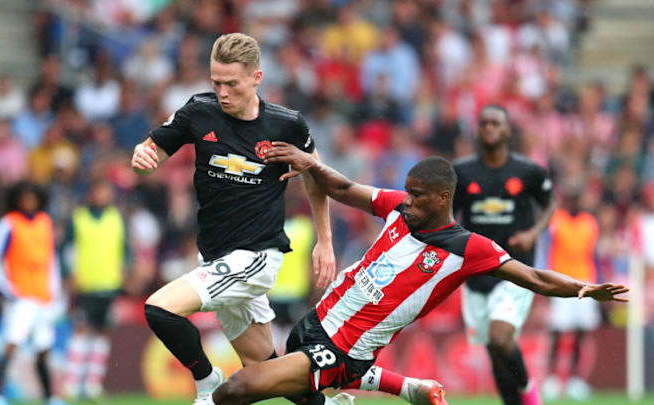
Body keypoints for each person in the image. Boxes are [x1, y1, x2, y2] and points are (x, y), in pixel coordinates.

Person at [203, 146, 628, 405]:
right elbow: (344, 187)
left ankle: (392, 386)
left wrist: (583, 289)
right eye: (407, 191)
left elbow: (534, 277)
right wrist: (309, 162)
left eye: (418, 195)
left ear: (443, 198)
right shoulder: (397, 209)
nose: (408, 200)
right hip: (314, 324)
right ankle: (409, 390)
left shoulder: (467, 248)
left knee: (237, 388)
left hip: (343, 350)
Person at [130, 33, 336, 404]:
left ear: (256, 78)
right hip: (216, 256)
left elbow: (317, 176)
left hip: (256, 256)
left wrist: (325, 241)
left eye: (232, 84)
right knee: (264, 367)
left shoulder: (286, 125)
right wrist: (141, 158)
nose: (223, 92)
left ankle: (207, 381)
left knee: (159, 309)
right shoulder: (199, 111)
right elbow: (152, 153)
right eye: (216, 83)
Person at [452, 105, 555, 405]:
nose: (489, 128)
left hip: (515, 268)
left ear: (508, 130)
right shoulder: (463, 172)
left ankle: (530, 393)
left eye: (496, 123)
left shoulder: (529, 171)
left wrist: (532, 234)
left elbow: (549, 205)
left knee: (500, 338)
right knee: (495, 351)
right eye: (483, 123)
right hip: (477, 271)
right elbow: (450, 214)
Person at [0, 182, 66, 405]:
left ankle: (50, 397)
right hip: (20, 297)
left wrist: (56, 292)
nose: (29, 202)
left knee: (44, 348)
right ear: (16, 200)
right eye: (24, 198)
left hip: (43, 297)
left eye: (32, 198)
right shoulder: (8, 224)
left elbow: (51, 260)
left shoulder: (45, 222)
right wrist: (8, 290)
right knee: (11, 343)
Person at [62, 179, 127, 399]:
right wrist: (69, 274)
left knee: (102, 333)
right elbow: (68, 249)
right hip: (85, 284)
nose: (103, 196)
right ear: (91, 193)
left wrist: (126, 269)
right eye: (100, 191)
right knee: (81, 330)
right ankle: (72, 383)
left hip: (110, 285)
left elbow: (124, 249)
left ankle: (93, 384)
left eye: (107, 191)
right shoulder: (78, 218)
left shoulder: (117, 218)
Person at [542, 178, 600, 401]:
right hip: (562, 280)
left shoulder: (589, 222)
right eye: (569, 197)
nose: (572, 201)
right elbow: (548, 250)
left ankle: (575, 379)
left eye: (575, 197)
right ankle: (552, 379)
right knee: (558, 332)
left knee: (580, 333)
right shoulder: (557, 221)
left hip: (585, 280)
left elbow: (592, 254)